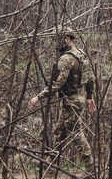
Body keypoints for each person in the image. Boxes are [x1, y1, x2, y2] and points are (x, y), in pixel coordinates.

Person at [29, 27, 96, 168]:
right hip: (77, 98)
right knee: (60, 132)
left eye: (59, 39)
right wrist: (89, 96)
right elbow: (90, 78)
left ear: (67, 39)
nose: (56, 43)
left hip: (71, 101)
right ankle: (51, 162)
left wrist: (38, 97)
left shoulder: (66, 59)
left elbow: (57, 84)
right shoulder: (81, 55)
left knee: (76, 134)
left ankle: (91, 167)